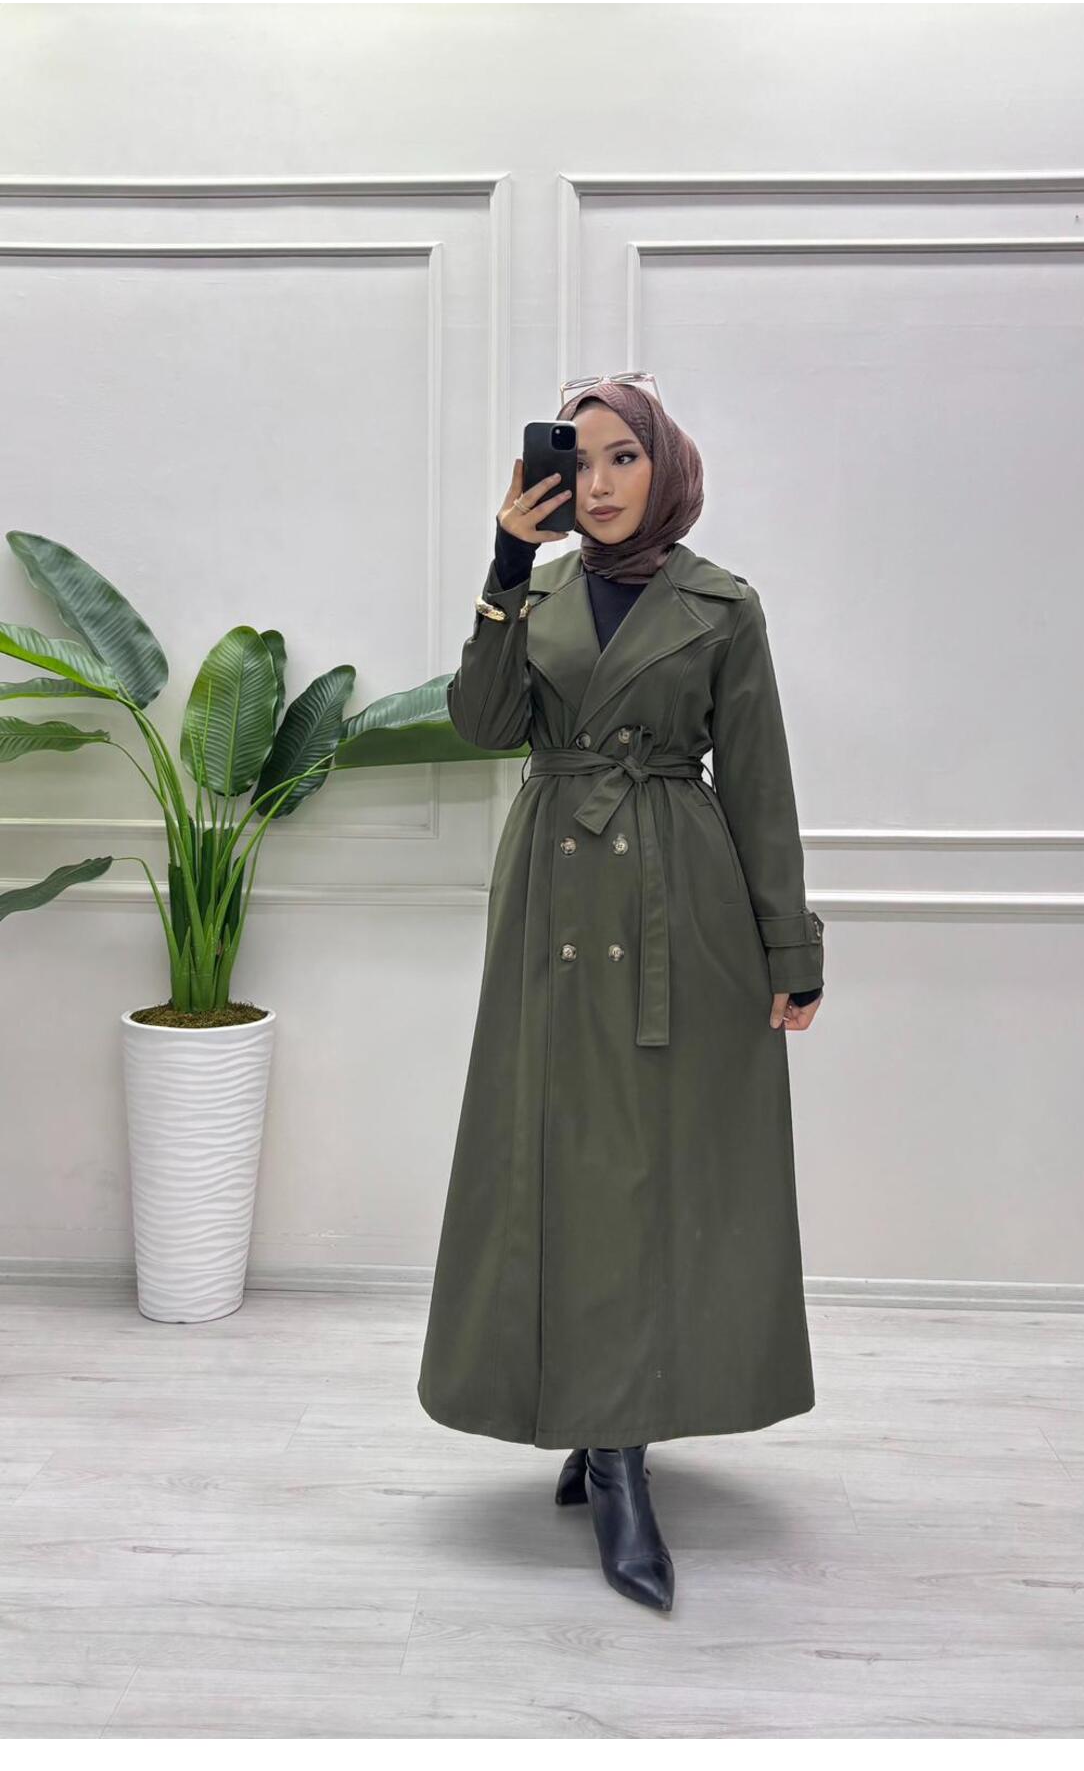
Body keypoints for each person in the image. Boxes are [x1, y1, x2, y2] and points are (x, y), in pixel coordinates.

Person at [418, 376, 825, 1615]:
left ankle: (618, 1446)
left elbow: (758, 782)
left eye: (621, 459)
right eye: (578, 460)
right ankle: (598, 1430)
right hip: (552, 903)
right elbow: (483, 723)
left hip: (675, 908)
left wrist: (789, 946)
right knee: (555, 1162)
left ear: (666, 468)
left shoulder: (722, 604)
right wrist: (503, 562)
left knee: (651, 1172)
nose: (596, 484)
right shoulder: (535, 590)